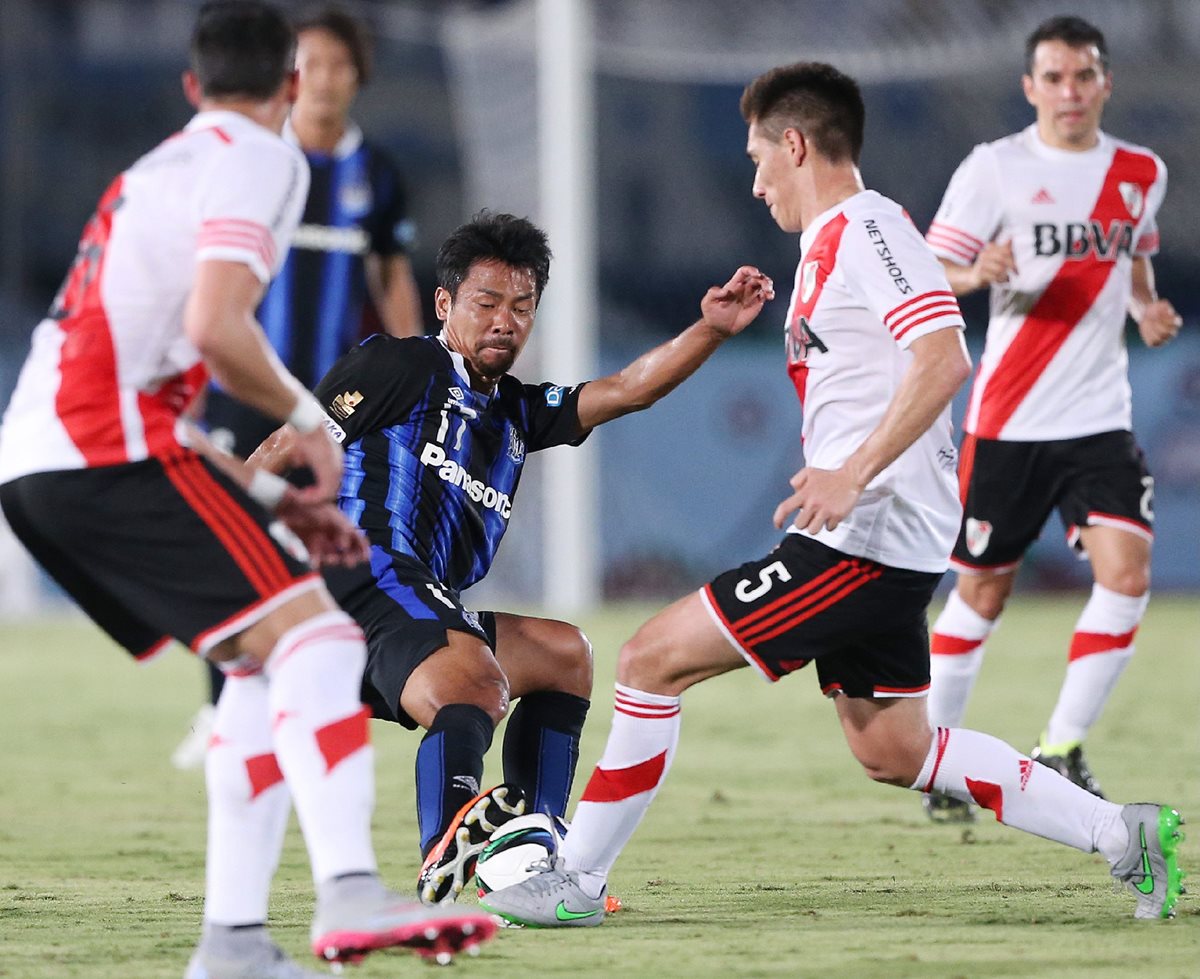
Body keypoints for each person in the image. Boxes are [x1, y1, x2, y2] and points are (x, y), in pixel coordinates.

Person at [477, 61, 1186, 929]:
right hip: (881, 538)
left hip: (864, 539)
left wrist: (853, 471)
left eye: (757, 157)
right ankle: (1127, 835)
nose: (754, 180)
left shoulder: (869, 228)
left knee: (647, 661)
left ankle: (576, 878)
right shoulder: (827, 246)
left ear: (796, 143)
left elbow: (944, 356)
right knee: (894, 748)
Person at [0, 4, 494, 976]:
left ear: (192, 87)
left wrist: (270, 498)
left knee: (261, 664)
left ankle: (232, 943)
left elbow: (148, 371)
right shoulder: (267, 156)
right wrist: (311, 428)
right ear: (287, 88)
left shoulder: (154, 170)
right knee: (319, 636)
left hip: (44, 459)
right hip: (107, 452)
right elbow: (220, 326)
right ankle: (350, 889)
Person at [252, 210, 775, 905]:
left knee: (564, 653)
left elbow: (628, 389)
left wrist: (710, 329)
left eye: (521, 306)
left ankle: (538, 861)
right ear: (445, 303)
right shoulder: (398, 364)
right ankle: (447, 843)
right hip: (358, 578)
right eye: (487, 302)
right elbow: (279, 452)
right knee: (478, 679)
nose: (505, 320)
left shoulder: (518, 413)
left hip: (412, 602)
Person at [921, 15, 1180, 820]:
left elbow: (1133, 252)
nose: (1070, 91)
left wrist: (1144, 308)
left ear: (1104, 83)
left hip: (1100, 417)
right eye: (1054, 78)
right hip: (1008, 420)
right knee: (981, 596)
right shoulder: (996, 168)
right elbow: (930, 265)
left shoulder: (1140, 170)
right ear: (1031, 87)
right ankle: (937, 758)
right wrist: (976, 269)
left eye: (1084, 76)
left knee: (1127, 576)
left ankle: (1062, 747)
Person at [174, 3, 426, 770]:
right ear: (288, 77)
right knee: (226, 539)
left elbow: (391, 276)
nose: (321, 81)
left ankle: (306, 705)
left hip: (330, 403)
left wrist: (416, 367)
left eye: (337, 66)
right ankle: (223, 709)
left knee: (324, 541)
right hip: (238, 388)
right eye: (307, 65)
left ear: (358, 78)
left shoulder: (374, 173)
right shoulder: (252, 163)